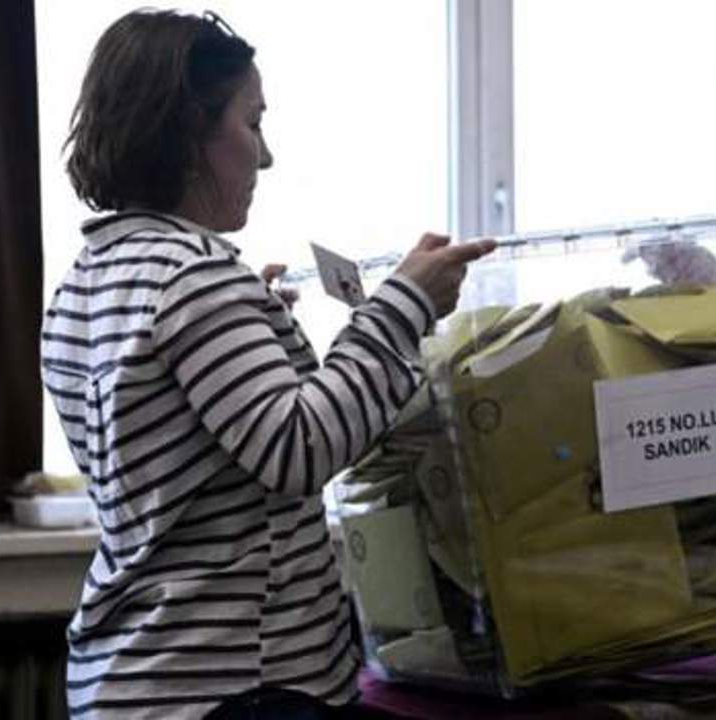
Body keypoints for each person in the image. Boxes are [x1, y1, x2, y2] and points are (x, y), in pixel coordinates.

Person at [41, 10, 494, 718]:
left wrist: (255, 329)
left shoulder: (87, 278)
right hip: (235, 689)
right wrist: (404, 304)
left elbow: (182, 456)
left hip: (131, 684)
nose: (267, 154)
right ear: (190, 134)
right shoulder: (194, 276)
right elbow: (298, 448)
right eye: (252, 123)